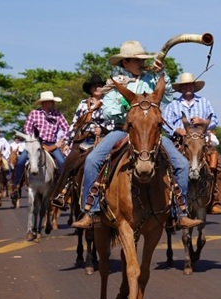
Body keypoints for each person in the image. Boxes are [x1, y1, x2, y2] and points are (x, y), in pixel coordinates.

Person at [71, 41, 203, 229]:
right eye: (136, 60)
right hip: (121, 130)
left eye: (142, 60)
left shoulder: (151, 78)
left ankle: (180, 212)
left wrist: (160, 73)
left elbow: (168, 96)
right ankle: (91, 211)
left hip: (150, 132)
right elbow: (108, 111)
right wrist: (129, 106)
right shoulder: (114, 82)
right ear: (125, 63)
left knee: (181, 163)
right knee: (92, 160)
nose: (141, 63)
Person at [163, 72, 221, 214]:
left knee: (220, 166)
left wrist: (202, 122)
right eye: (184, 85)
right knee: (163, 163)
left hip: (201, 142)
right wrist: (176, 130)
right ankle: (166, 200)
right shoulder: (173, 105)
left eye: (190, 84)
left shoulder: (204, 102)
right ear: (181, 88)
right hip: (180, 142)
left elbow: (215, 120)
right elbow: (165, 122)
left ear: (194, 86)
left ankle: (215, 201)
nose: (187, 87)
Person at [51, 74, 113, 210]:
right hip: (83, 138)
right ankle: (62, 193)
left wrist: (102, 130)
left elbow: (113, 123)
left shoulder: (110, 103)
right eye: (95, 86)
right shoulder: (83, 104)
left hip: (103, 139)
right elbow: (75, 123)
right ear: (90, 89)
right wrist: (67, 141)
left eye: (100, 86)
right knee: (69, 162)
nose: (98, 88)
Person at [12, 90, 70, 190]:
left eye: (52, 101)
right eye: (50, 101)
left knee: (62, 162)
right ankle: (16, 184)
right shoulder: (34, 113)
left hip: (51, 144)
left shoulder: (58, 114)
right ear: (44, 103)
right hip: (35, 144)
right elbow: (26, 129)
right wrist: (33, 139)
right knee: (21, 161)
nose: (52, 103)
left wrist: (62, 140)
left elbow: (67, 129)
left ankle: (63, 186)